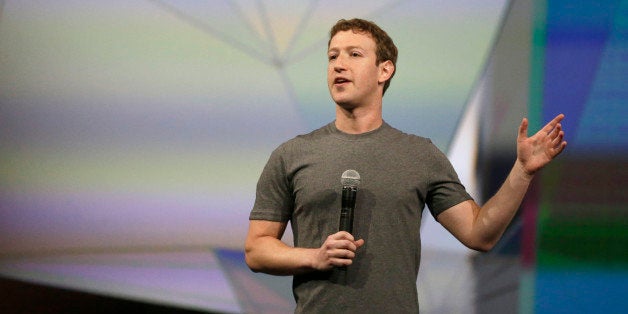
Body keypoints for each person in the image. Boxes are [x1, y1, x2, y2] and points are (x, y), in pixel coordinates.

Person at [245, 18, 566, 313]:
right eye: (332, 57)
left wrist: (522, 171)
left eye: (354, 54)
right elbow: (256, 250)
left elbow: (479, 234)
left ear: (385, 70)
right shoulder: (293, 154)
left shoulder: (419, 154)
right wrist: (314, 257)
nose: (339, 64)